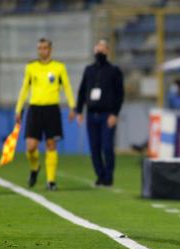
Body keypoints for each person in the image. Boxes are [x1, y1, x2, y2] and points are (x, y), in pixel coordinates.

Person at [15, 38, 76, 191]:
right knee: (30, 146)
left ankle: (51, 181)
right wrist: (18, 109)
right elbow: (24, 89)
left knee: (51, 145)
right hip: (35, 109)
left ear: (50, 50)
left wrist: (72, 107)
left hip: (52, 110)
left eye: (45, 48)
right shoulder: (31, 67)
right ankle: (35, 167)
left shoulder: (59, 67)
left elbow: (67, 87)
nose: (42, 50)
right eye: (40, 48)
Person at [76, 40, 124, 187]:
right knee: (94, 148)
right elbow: (82, 91)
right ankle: (100, 176)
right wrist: (79, 111)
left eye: (102, 49)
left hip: (107, 115)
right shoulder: (89, 70)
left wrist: (114, 114)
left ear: (108, 51)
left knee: (107, 146)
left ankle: (109, 177)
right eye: (97, 48)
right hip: (92, 114)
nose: (99, 51)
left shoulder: (114, 71)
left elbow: (120, 94)